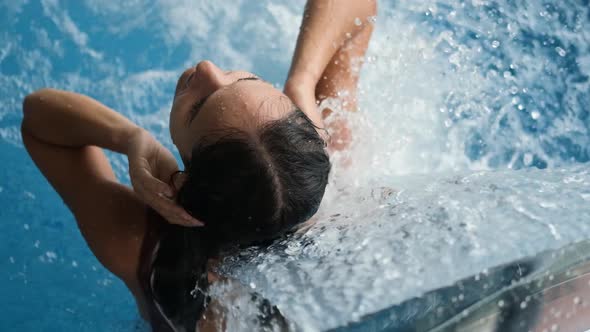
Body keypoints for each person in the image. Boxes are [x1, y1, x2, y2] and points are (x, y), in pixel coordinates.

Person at [20, 0, 376, 331]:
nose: (207, 68)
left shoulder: (141, 247)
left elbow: (38, 119)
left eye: (197, 107)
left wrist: (130, 139)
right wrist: (302, 81)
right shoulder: (338, 178)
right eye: (249, 80)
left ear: (182, 185)